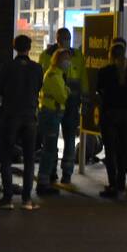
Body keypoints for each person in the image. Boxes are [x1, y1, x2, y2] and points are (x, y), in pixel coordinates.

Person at [0, 35, 44, 211]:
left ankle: (7, 198)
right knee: (29, 159)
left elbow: (1, 89)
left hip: (10, 116)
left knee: (6, 158)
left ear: (14, 47)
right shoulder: (37, 68)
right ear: (29, 48)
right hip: (29, 116)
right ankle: (27, 199)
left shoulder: (7, 67)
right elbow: (38, 87)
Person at [39, 28, 87, 185]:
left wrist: (84, 98)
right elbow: (42, 80)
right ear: (57, 39)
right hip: (55, 104)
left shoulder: (77, 56)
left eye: (68, 38)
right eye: (63, 38)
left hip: (71, 104)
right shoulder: (46, 55)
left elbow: (83, 77)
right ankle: (51, 172)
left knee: (69, 138)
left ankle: (67, 172)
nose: (66, 41)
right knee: (51, 142)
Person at [97, 42, 127, 198]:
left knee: (110, 151)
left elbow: (99, 91)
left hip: (109, 114)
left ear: (110, 54)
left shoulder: (105, 71)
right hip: (125, 114)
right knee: (126, 150)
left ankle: (113, 185)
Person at [36, 49, 72, 195]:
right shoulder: (54, 76)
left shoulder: (54, 74)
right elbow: (62, 97)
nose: (68, 62)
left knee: (49, 148)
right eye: (66, 59)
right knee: (49, 149)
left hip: (50, 113)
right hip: (51, 114)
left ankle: (44, 181)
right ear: (58, 60)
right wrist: (67, 91)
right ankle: (43, 184)